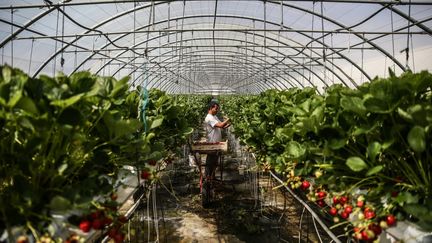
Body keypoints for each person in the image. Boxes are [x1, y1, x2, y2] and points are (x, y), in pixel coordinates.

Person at [204, 102, 230, 179]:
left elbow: (222, 125)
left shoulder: (214, 116)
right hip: (212, 144)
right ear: (210, 108)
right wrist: (228, 119)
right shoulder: (209, 118)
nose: (217, 110)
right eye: (216, 108)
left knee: (214, 162)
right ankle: (208, 177)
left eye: (218, 108)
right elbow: (221, 125)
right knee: (210, 161)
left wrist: (229, 123)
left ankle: (212, 177)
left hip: (216, 144)